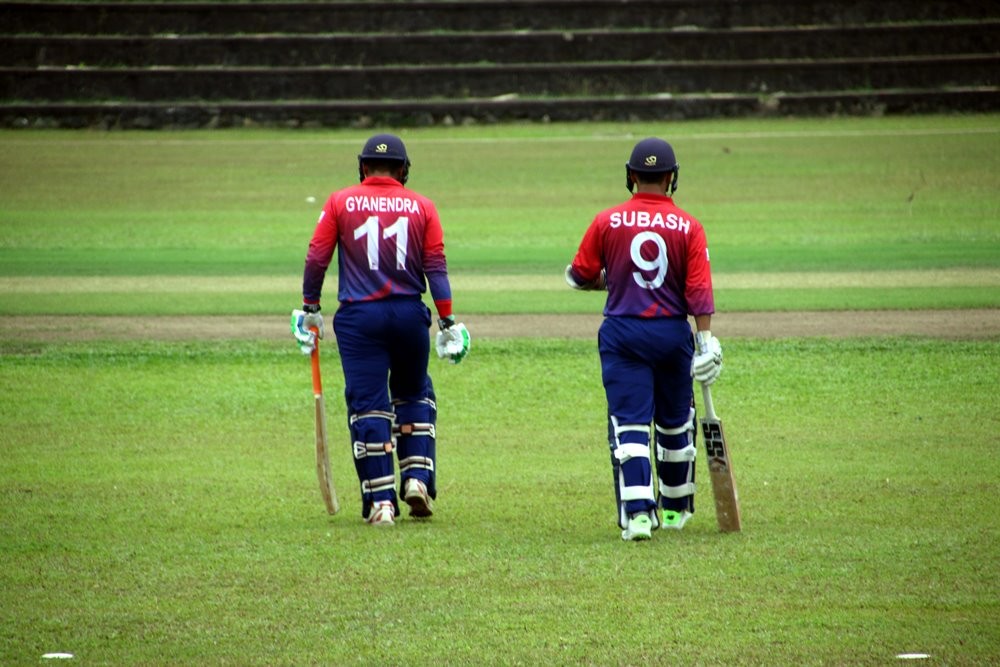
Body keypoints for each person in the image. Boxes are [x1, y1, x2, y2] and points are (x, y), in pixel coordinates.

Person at [291, 133, 470, 527]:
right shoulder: (422, 205)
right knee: (414, 395)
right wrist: (447, 320)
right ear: (403, 170)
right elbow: (435, 265)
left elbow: (317, 256)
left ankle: (381, 503)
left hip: (360, 319)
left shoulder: (340, 201)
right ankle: (418, 480)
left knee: (369, 405)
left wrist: (310, 308)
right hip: (408, 316)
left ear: (363, 167)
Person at [565, 137, 723, 542]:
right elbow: (698, 291)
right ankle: (674, 511)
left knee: (630, 423)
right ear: (671, 178)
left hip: (623, 333)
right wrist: (706, 340)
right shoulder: (689, 226)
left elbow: (579, 275)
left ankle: (638, 516)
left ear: (631, 176)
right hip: (672, 333)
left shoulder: (606, 220)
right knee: (675, 422)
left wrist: (609, 282)